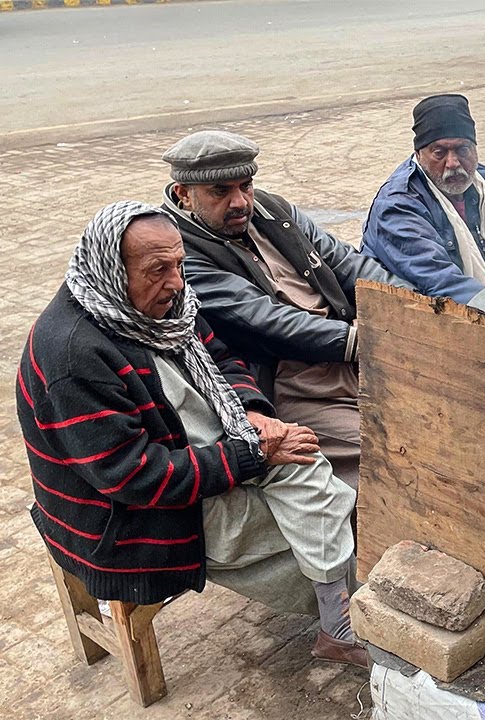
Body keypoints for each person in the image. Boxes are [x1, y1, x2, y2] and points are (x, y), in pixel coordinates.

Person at [18, 202, 368, 667]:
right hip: (128, 517)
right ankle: (338, 620)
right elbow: (133, 478)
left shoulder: (165, 305)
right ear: (110, 268)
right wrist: (248, 457)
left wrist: (255, 412)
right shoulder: (72, 355)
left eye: (180, 265)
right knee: (325, 509)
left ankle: (335, 617)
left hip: (193, 450)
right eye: (157, 269)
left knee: (311, 469)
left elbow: (221, 359)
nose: (177, 282)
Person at [161, 130, 412, 489]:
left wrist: (411, 309)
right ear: (183, 194)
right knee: (392, 451)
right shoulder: (178, 248)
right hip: (294, 383)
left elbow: (348, 264)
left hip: (356, 354)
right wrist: (363, 341)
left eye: (245, 186)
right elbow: (267, 321)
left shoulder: (273, 210)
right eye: (221, 191)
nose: (239, 202)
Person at [361, 94, 485, 480]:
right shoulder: (399, 205)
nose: (453, 164)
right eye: (439, 152)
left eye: (462, 150)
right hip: (428, 330)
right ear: (420, 152)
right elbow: (444, 284)